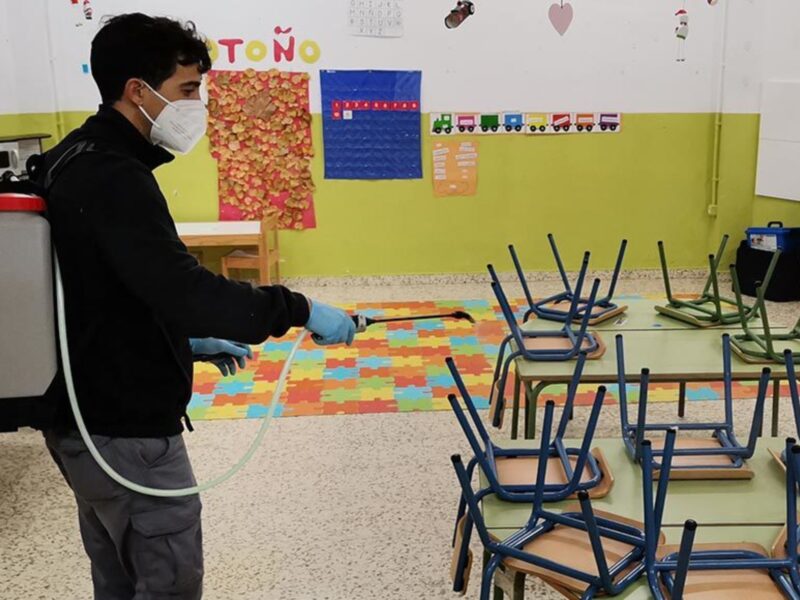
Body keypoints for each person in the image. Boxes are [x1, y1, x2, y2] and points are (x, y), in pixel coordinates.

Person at [36, 13, 355, 600]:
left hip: (85, 419)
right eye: (188, 90)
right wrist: (300, 308)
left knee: (119, 574)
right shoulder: (113, 174)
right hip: (125, 431)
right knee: (168, 583)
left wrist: (177, 342)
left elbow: (101, 293)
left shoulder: (70, 158)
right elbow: (186, 290)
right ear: (138, 90)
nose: (197, 106)